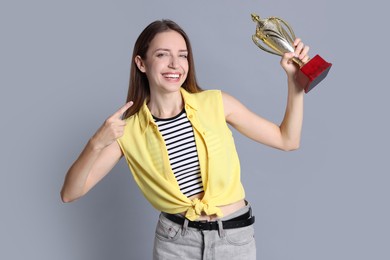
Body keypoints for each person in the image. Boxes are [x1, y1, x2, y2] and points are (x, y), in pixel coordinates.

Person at [61, 19, 310, 259]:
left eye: (182, 55)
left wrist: (294, 82)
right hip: (175, 245)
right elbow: (70, 193)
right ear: (141, 63)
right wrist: (96, 143)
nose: (174, 64)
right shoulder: (128, 131)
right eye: (162, 54)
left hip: (234, 239)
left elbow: (287, 140)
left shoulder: (217, 103)